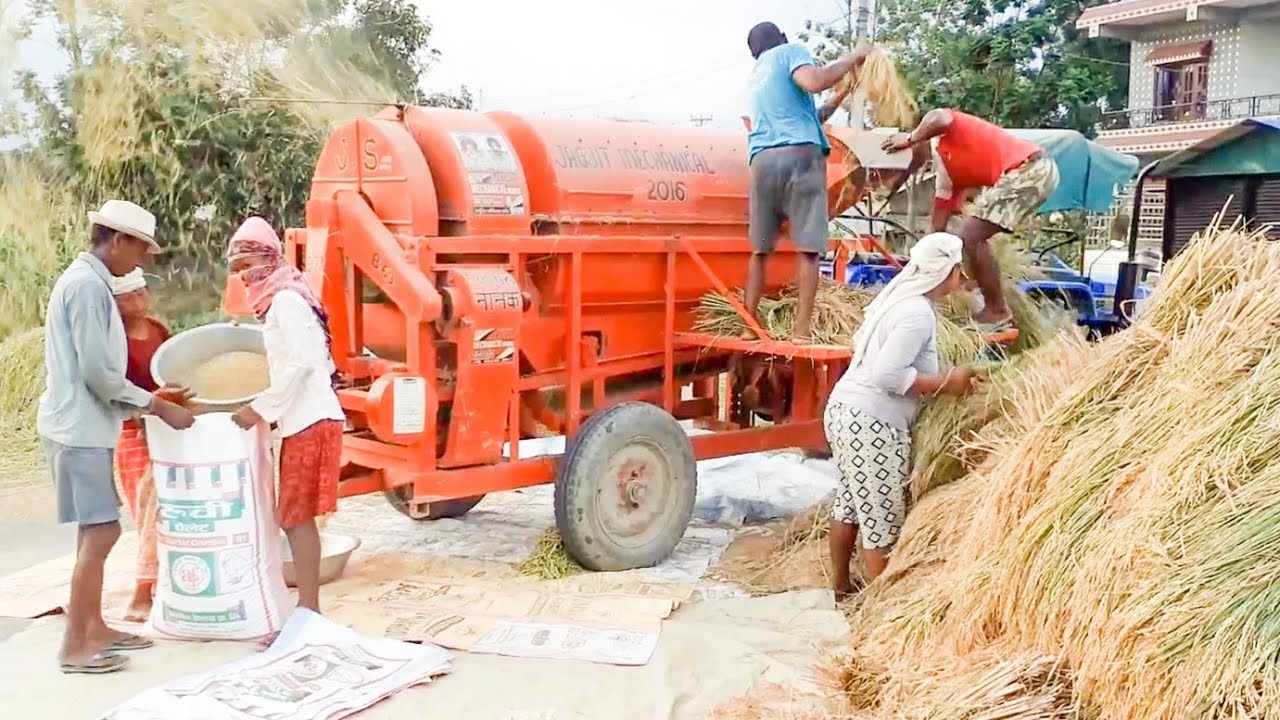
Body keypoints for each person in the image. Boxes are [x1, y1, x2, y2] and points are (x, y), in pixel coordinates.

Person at [38, 199, 196, 674]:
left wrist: (150, 398)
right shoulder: (87, 288)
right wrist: (157, 405)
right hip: (77, 429)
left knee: (100, 531)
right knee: (101, 531)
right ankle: (73, 646)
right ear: (119, 240)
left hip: (85, 426)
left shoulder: (89, 282)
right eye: (141, 249)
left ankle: (95, 628)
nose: (142, 259)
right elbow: (99, 374)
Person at [823, 232, 981, 595]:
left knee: (850, 503)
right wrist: (946, 383)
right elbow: (887, 375)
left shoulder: (902, 303)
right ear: (948, 272)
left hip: (847, 412)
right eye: (959, 271)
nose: (961, 278)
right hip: (871, 422)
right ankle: (884, 612)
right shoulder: (916, 314)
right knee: (882, 521)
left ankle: (841, 586)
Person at [224, 216, 344, 645]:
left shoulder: (287, 302)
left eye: (251, 262)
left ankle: (307, 615)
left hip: (309, 419)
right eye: (239, 268)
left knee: (295, 518)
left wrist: (258, 409)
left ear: (271, 257)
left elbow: (302, 364)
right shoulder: (281, 298)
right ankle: (307, 613)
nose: (245, 273)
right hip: (304, 417)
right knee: (296, 517)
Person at [744, 22, 871, 343]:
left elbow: (813, 115)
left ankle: (749, 327)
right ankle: (800, 332)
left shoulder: (757, 75)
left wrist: (844, 90)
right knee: (809, 250)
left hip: (762, 160)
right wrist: (854, 58)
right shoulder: (790, 52)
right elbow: (814, 81)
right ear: (782, 38)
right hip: (799, 157)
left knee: (760, 251)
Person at [881, 109, 1060, 328]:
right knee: (967, 238)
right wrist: (918, 267)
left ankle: (997, 309)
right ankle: (977, 289)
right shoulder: (947, 176)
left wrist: (909, 138)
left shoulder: (943, 131)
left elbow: (941, 117)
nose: (916, 162)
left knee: (970, 236)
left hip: (1029, 167)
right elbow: (936, 230)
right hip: (1036, 172)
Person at [110, 268, 172, 622]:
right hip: (134, 431)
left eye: (142, 292)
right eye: (129, 296)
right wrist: (148, 407)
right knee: (149, 506)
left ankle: (164, 581)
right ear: (116, 304)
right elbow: (115, 389)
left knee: (168, 507)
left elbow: (173, 368)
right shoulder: (114, 339)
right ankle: (141, 592)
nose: (138, 300)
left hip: (164, 423)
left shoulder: (158, 331)